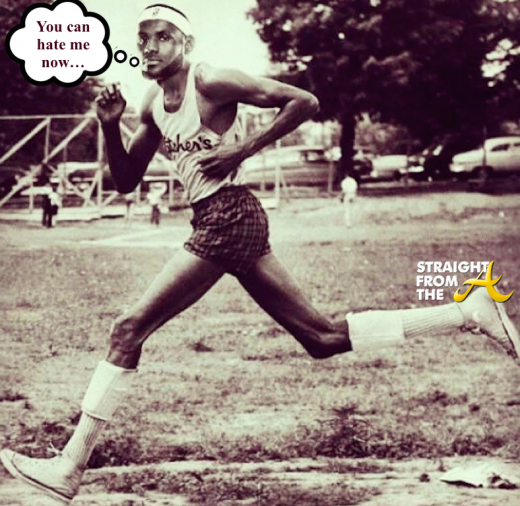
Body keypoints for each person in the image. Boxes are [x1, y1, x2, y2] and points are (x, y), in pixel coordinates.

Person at [1, 4, 518, 504]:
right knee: (321, 338)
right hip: (221, 219)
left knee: (127, 329)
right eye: (143, 39)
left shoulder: (210, 80)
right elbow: (125, 180)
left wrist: (243, 148)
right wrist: (109, 124)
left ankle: (68, 468)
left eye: (163, 37)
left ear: (186, 42)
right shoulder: (152, 102)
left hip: (229, 217)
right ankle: (467, 312)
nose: (151, 47)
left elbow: (304, 102)